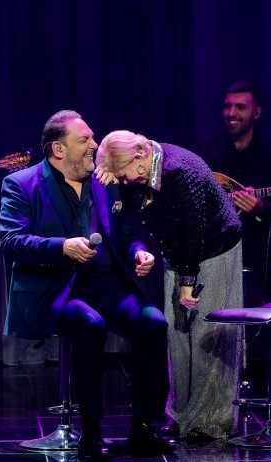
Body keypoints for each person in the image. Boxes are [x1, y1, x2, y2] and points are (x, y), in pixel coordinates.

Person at [0, 110, 173, 462]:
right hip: (57, 287)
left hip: (106, 284)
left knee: (154, 323)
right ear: (58, 149)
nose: (95, 144)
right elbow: (11, 241)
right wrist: (61, 246)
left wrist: (139, 253)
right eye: (85, 140)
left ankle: (142, 427)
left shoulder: (104, 181)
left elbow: (126, 234)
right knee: (90, 325)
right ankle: (91, 432)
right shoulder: (21, 184)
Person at [95, 131, 243, 440]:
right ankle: (181, 415)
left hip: (214, 249)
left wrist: (187, 281)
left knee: (207, 334)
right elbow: (139, 212)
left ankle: (210, 422)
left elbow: (194, 229)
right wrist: (111, 180)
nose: (126, 182)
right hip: (178, 255)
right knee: (177, 335)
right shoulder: (136, 172)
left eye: (124, 175)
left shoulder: (179, 169)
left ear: (139, 157)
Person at [199, 80, 271, 295]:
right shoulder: (208, 153)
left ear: (256, 113)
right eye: (227, 106)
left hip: (263, 247)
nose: (231, 113)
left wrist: (261, 208)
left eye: (240, 107)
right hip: (220, 248)